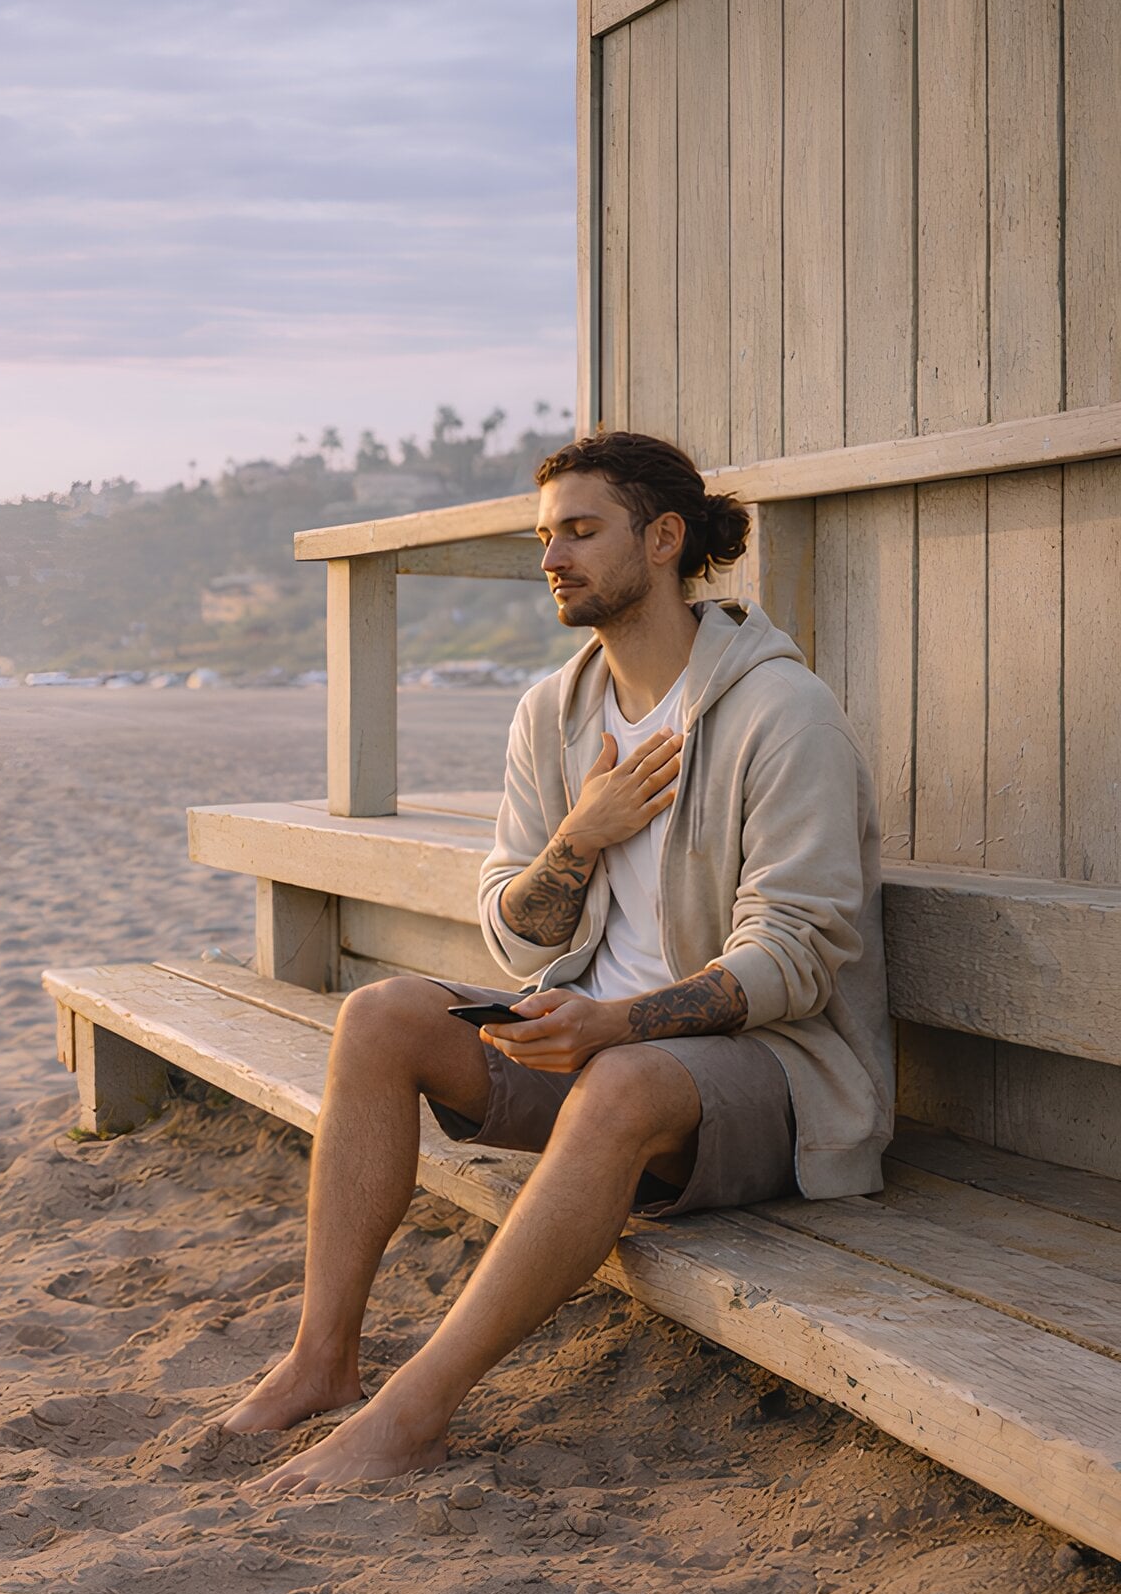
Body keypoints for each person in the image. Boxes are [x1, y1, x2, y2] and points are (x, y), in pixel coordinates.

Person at [221, 430, 892, 1491]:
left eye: (580, 531)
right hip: (586, 1043)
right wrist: (580, 835)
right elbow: (513, 932)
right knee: (383, 1015)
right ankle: (321, 1360)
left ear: (664, 539)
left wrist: (617, 1025)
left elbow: (796, 957)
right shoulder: (554, 713)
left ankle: (416, 1413)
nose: (552, 559)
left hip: (773, 1079)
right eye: (543, 537)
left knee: (619, 1080)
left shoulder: (782, 713)